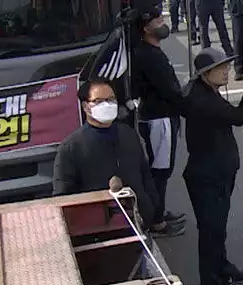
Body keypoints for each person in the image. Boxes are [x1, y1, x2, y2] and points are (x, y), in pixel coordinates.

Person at [183, 49, 243, 285]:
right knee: (211, 230)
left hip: (218, 170)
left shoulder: (207, 93)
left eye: (226, 67)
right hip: (208, 175)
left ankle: (222, 267)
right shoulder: (204, 100)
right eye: (220, 68)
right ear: (205, 75)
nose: (226, 72)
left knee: (218, 226)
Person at [53, 78, 172, 234]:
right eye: (99, 101)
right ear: (86, 106)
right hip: (99, 233)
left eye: (111, 99)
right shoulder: (71, 148)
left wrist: (151, 208)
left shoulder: (129, 134)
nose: (107, 105)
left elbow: (145, 175)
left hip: (139, 225)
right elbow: (63, 198)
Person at [130, 9, 188, 235]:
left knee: (164, 168)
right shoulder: (147, 55)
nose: (162, 22)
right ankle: (155, 220)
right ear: (146, 28)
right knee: (160, 170)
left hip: (163, 116)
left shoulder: (152, 51)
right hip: (158, 118)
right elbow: (168, 89)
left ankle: (159, 210)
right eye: (157, 20)